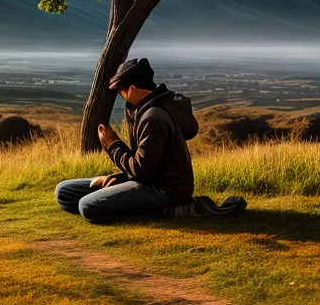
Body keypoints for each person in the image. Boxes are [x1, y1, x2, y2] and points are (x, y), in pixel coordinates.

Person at [54, 57, 246, 223]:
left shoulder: (153, 118)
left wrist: (112, 145)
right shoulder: (144, 110)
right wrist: (114, 179)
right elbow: (146, 166)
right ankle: (118, 203)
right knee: (64, 192)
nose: (121, 96)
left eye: (121, 91)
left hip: (165, 191)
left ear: (132, 88)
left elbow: (141, 171)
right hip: (146, 181)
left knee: (87, 206)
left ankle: (174, 210)